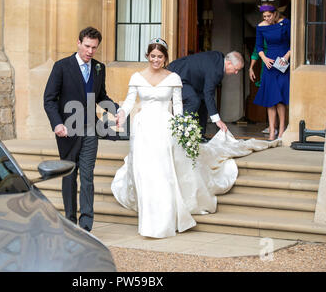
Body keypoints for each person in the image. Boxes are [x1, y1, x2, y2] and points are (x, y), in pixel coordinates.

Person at [112, 39, 279, 238]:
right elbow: (131, 100)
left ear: (165, 58)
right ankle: (148, 216)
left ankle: (163, 220)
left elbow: (179, 106)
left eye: (160, 56)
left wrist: (183, 127)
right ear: (148, 56)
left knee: (163, 172)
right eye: (153, 56)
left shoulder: (174, 77)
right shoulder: (137, 77)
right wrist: (121, 114)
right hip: (143, 128)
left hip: (164, 126)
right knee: (144, 171)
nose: (156, 59)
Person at [43, 27, 118, 232]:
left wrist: (118, 110)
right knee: (69, 175)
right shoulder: (61, 66)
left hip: (90, 130)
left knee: (87, 176)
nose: (90, 51)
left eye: (94, 47)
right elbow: (49, 99)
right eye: (87, 46)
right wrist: (57, 124)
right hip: (67, 130)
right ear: (78, 43)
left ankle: (86, 224)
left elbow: (101, 96)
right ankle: (69, 221)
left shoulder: (99, 68)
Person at [167, 51, 244, 139]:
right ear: (229, 63)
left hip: (189, 79)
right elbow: (209, 93)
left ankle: (200, 135)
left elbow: (206, 94)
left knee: (203, 101)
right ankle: (181, 132)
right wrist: (217, 120)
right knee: (193, 101)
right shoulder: (216, 69)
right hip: (178, 74)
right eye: (236, 69)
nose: (236, 72)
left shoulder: (219, 58)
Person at [253, 3, 291, 141]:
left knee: (280, 100)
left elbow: (294, 43)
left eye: (269, 15)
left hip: (282, 63)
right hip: (269, 64)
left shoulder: (286, 23)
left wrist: (286, 58)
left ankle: (281, 131)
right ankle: (271, 131)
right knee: (270, 99)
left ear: (275, 14)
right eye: (264, 16)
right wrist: (264, 58)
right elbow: (258, 46)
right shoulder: (261, 27)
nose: (267, 18)